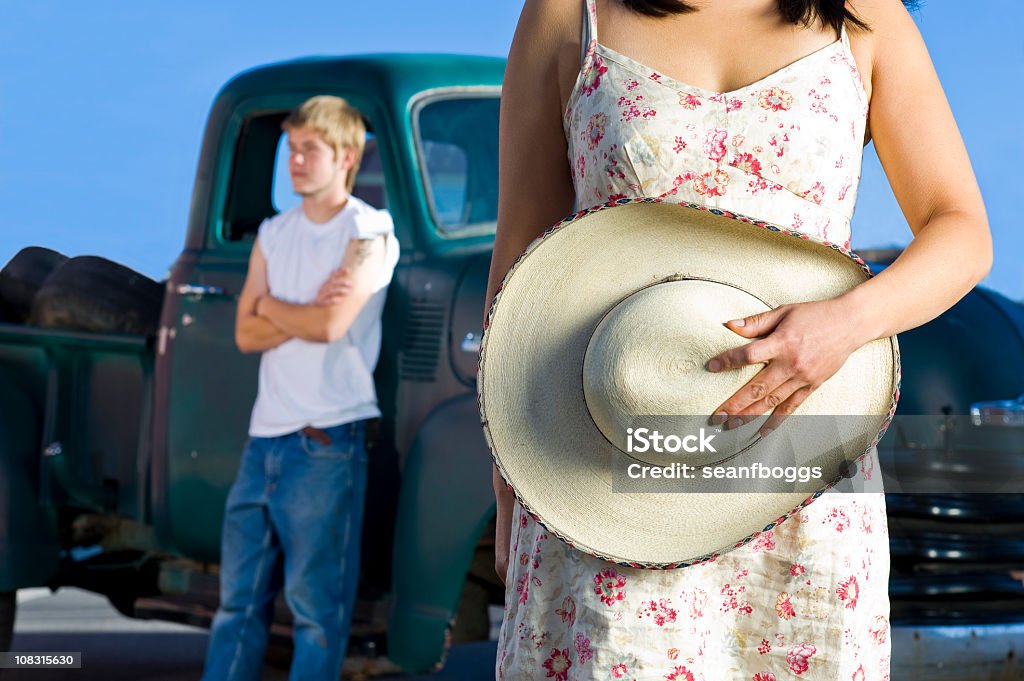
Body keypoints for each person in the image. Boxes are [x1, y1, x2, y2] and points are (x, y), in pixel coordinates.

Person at [487, 0, 991, 679]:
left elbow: (960, 231)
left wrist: (847, 322)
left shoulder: (864, 15)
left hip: (804, 451)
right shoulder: (569, 11)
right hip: (608, 456)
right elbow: (521, 260)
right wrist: (510, 480)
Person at [202, 95, 399, 681]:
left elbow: (330, 326)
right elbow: (243, 332)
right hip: (263, 441)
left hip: (326, 441)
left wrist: (269, 305)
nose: (294, 161)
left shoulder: (369, 231)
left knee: (317, 614)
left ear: (346, 156)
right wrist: (290, 311)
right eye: (291, 149)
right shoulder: (273, 232)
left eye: (308, 149)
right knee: (235, 606)